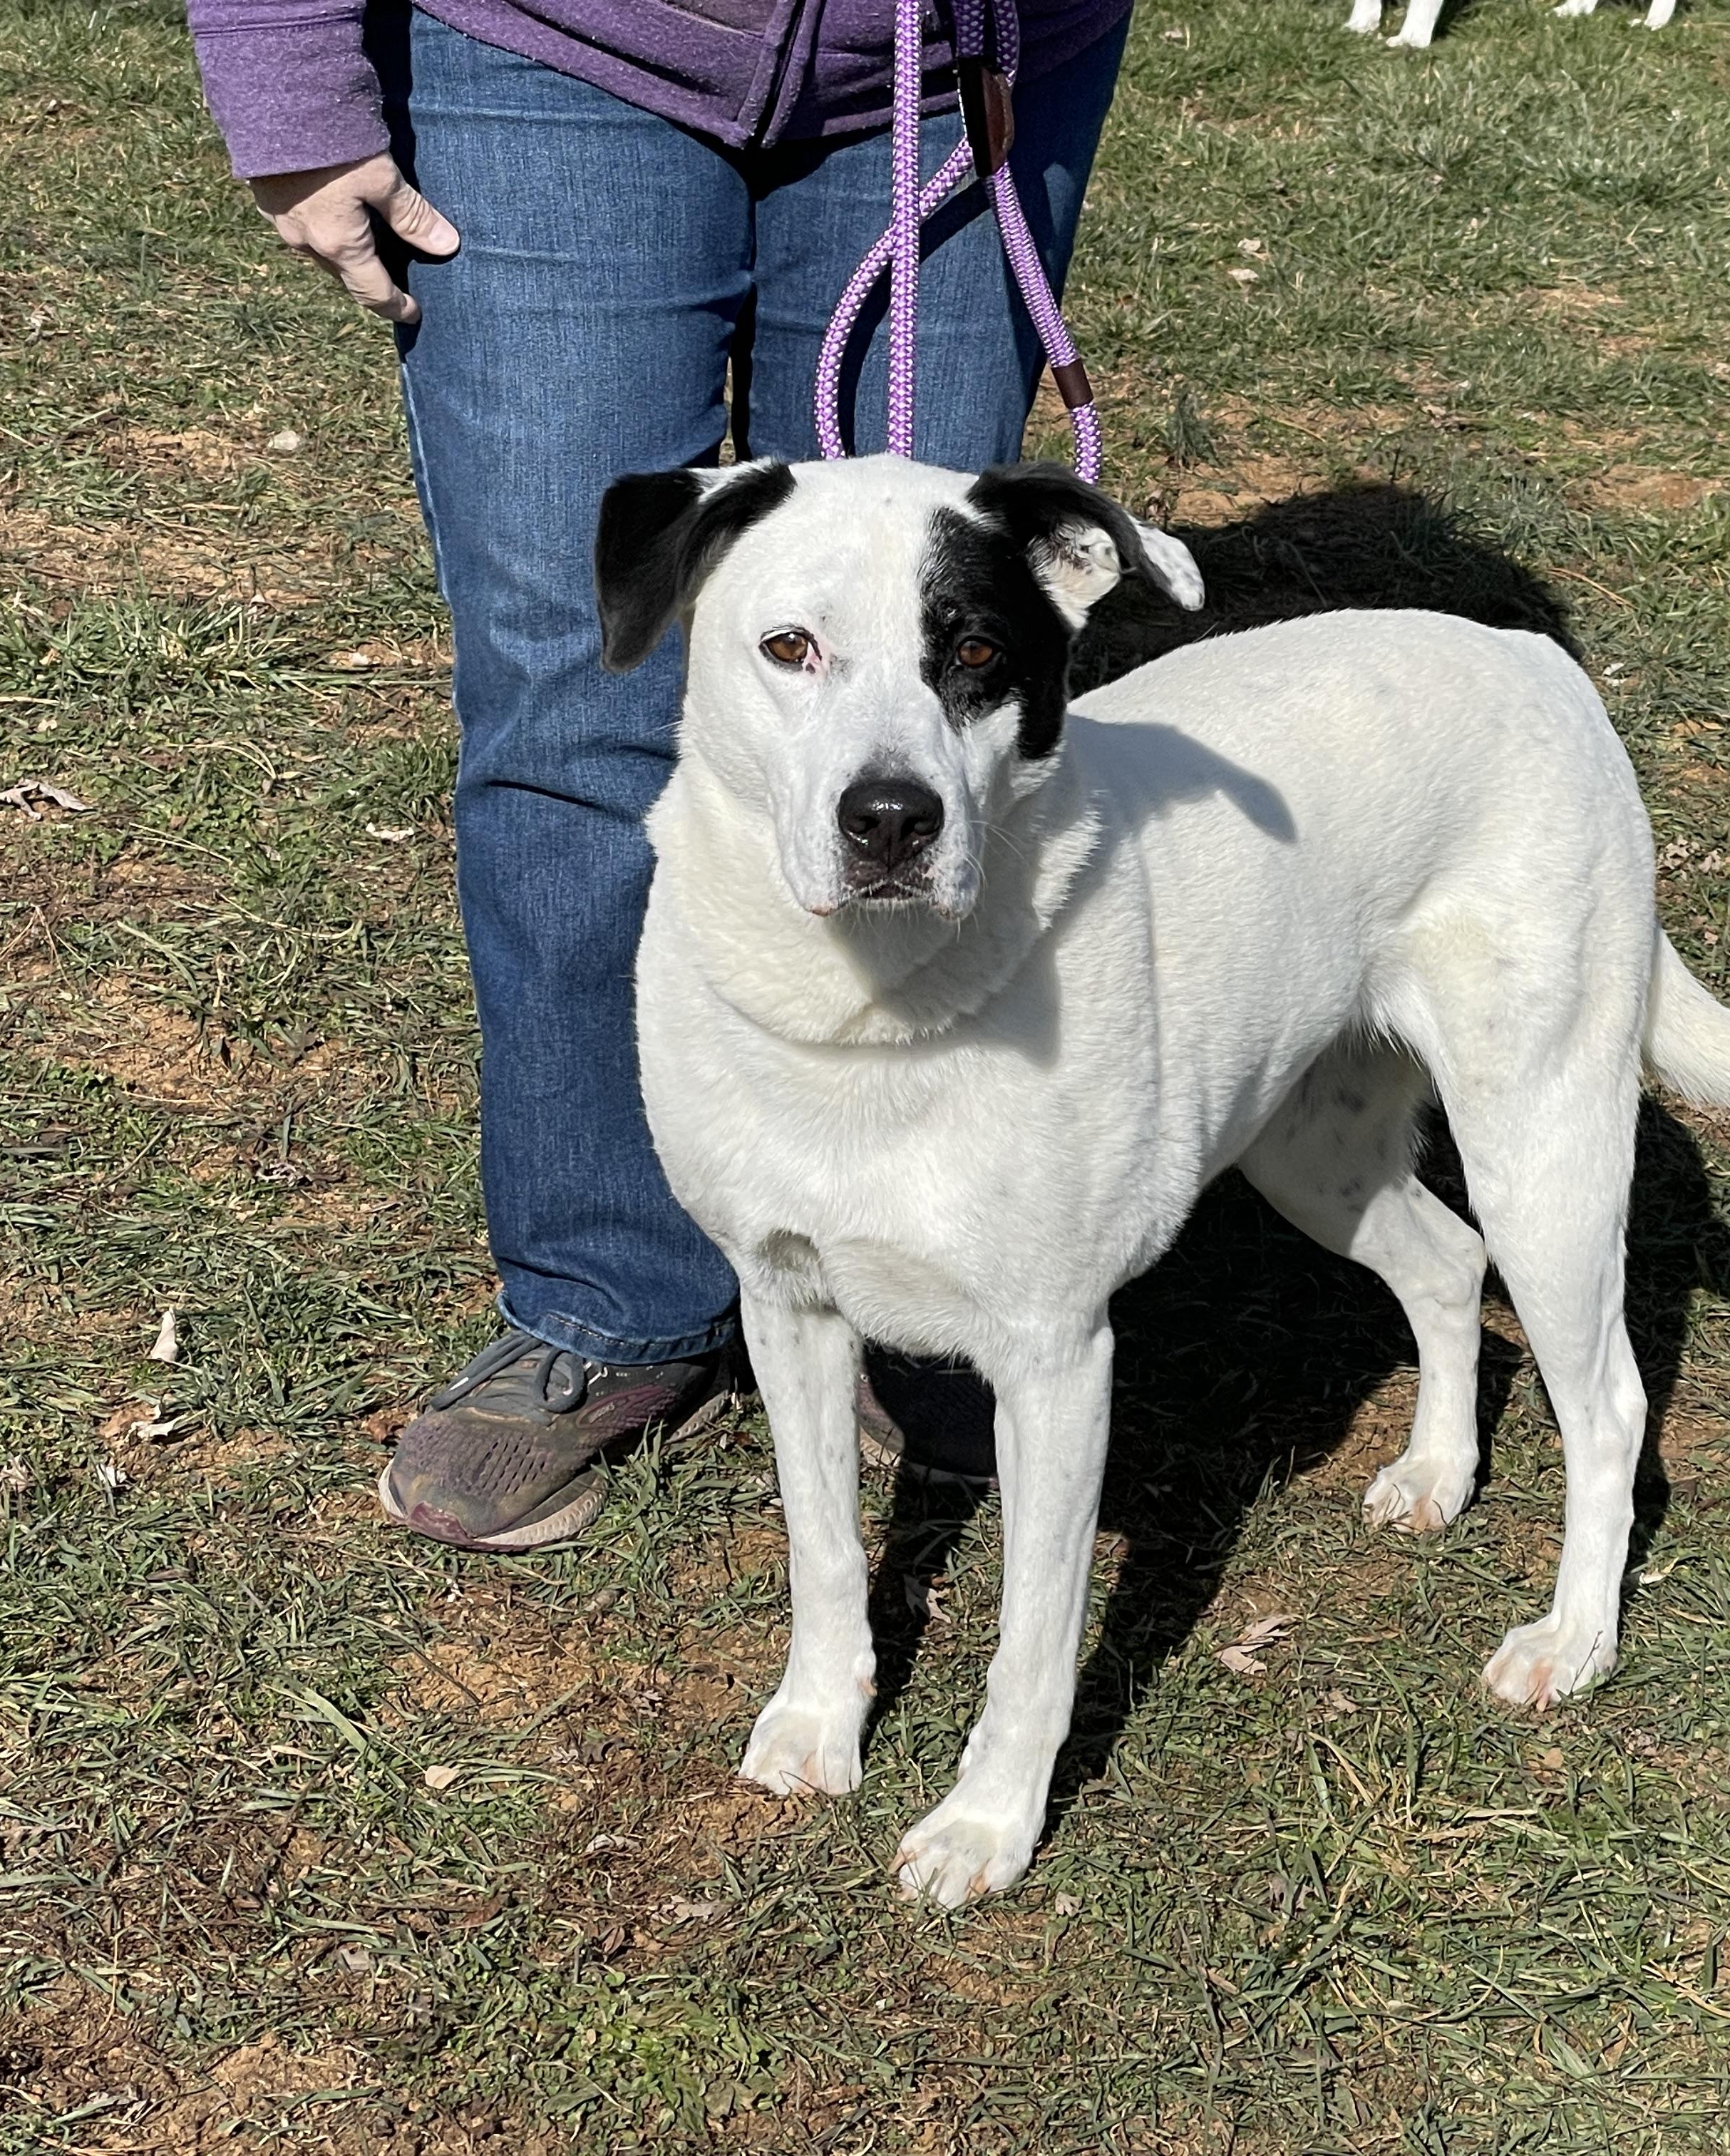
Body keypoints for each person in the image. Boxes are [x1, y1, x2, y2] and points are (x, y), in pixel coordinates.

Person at [186, 0, 1132, 1550]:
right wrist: (285, 70)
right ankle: (612, 1294)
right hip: (548, 46)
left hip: (960, 54)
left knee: (930, 708)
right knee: (579, 697)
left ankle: (923, 1278)